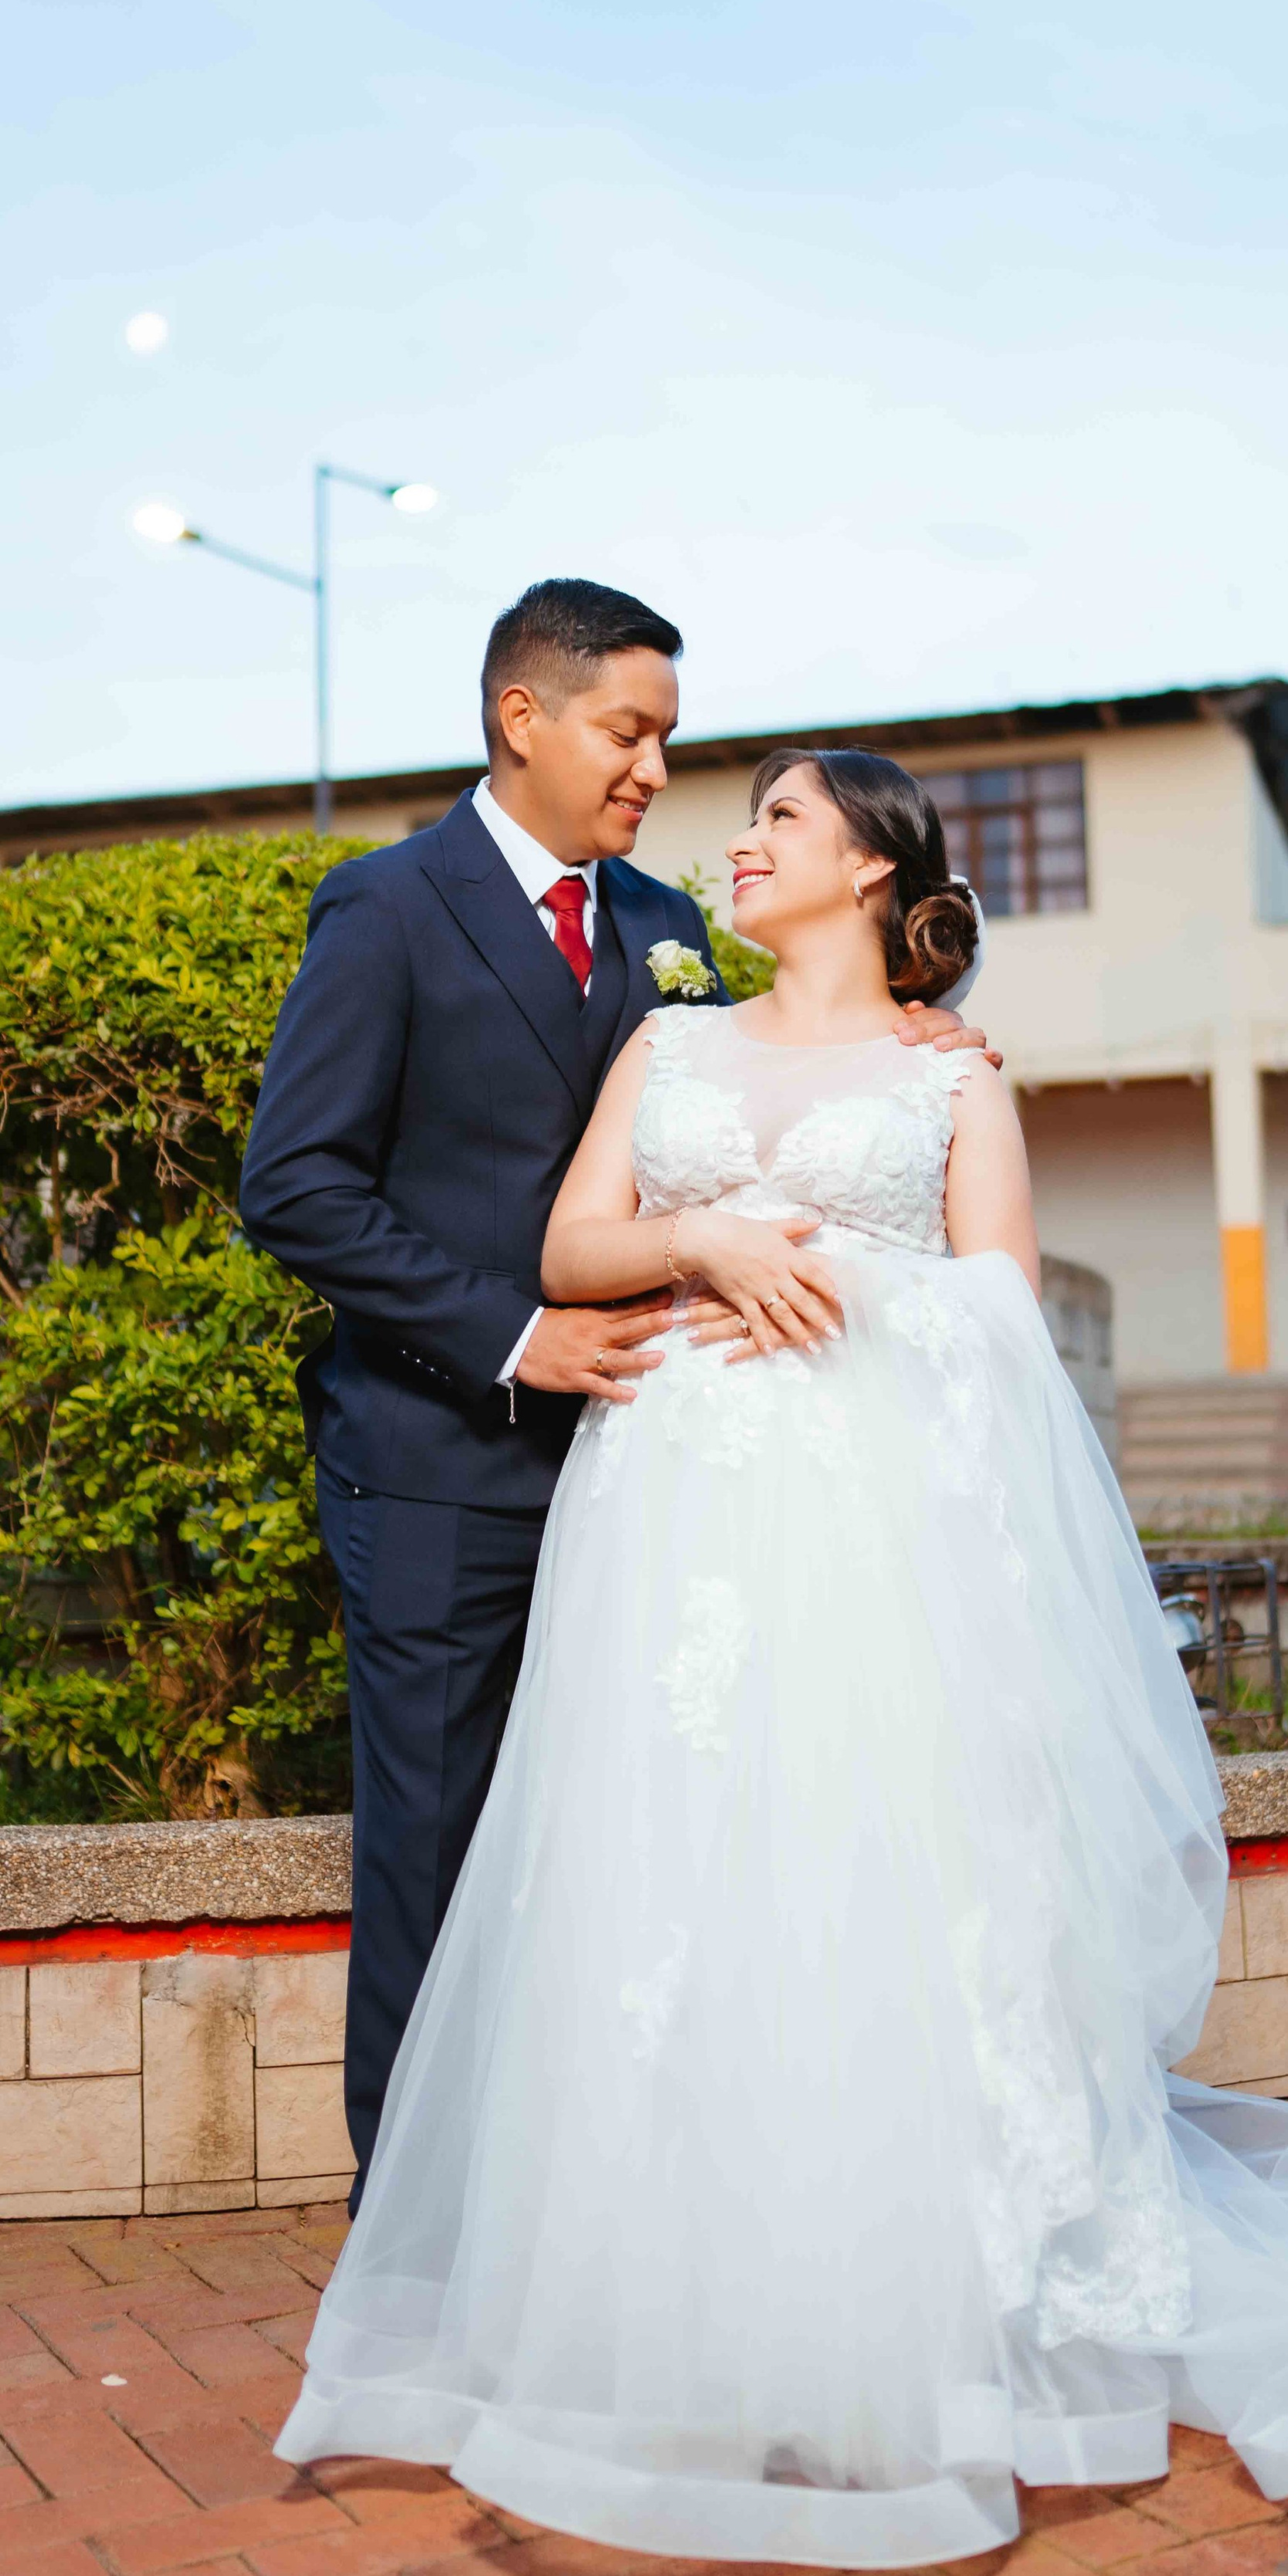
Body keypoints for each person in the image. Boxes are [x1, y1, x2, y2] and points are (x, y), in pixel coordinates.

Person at [275, 743, 1288, 2566]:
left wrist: (830, 1276)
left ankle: (906, 2305)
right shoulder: (665, 1038)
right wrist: (694, 1239)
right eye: (736, 814)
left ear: (865, 871)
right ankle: (671, 2302)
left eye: (775, 818)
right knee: (665, 1887)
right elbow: (565, 1237)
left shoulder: (946, 1080)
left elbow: (999, 1314)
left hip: (864, 1524)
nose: (731, 838)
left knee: (864, 1881)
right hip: (664, 1506)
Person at [238, 584, 986, 2198]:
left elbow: (757, 1063)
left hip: (658, 1474)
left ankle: (590, 2208)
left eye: (667, 738)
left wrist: (900, 1026)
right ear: (524, 716)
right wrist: (511, 1335)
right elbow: (296, 1185)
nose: (653, 767)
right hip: (440, 1459)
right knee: (433, 1855)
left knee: (613, 1858)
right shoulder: (384, 909)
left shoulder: (663, 917)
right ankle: (418, 2228)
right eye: (625, 730)